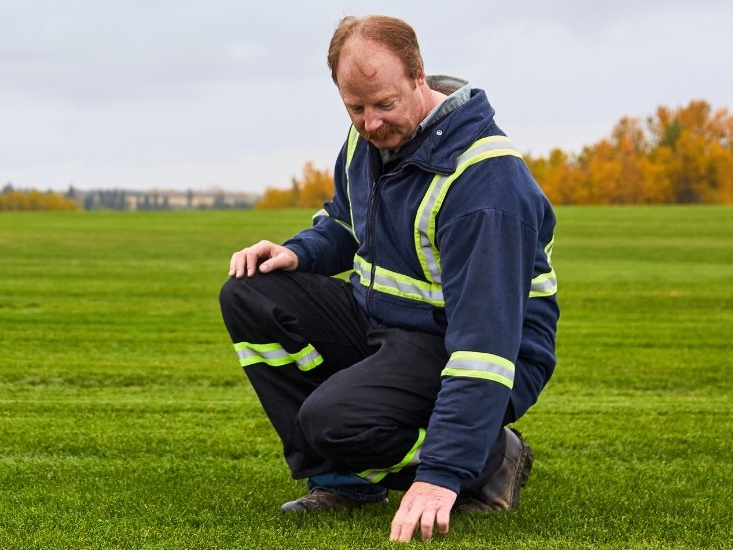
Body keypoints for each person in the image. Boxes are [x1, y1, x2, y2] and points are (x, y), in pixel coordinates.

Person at [219, 14, 558, 543]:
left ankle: (490, 459)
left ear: (418, 78)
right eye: (355, 108)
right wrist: (295, 253)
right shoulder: (368, 143)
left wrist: (440, 476)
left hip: (470, 346)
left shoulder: (485, 184)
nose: (370, 124)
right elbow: (347, 221)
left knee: (331, 419)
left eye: (384, 105)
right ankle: (342, 480)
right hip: (385, 323)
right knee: (249, 291)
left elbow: (485, 347)